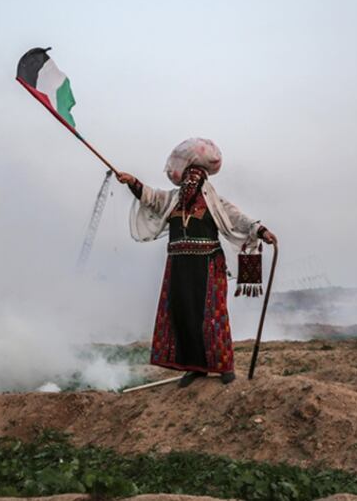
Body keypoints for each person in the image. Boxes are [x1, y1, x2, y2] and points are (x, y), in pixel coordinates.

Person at [117, 138, 276, 387]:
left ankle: (224, 367)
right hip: (178, 267)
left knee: (213, 316)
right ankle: (195, 367)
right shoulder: (171, 200)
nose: (191, 181)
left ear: (203, 181)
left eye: (196, 177)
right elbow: (150, 197)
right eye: (188, 177)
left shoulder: (215, 203)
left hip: (208, 265)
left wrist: (262, 231)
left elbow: (240, 219)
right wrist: (132, 182)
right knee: (184, 315)